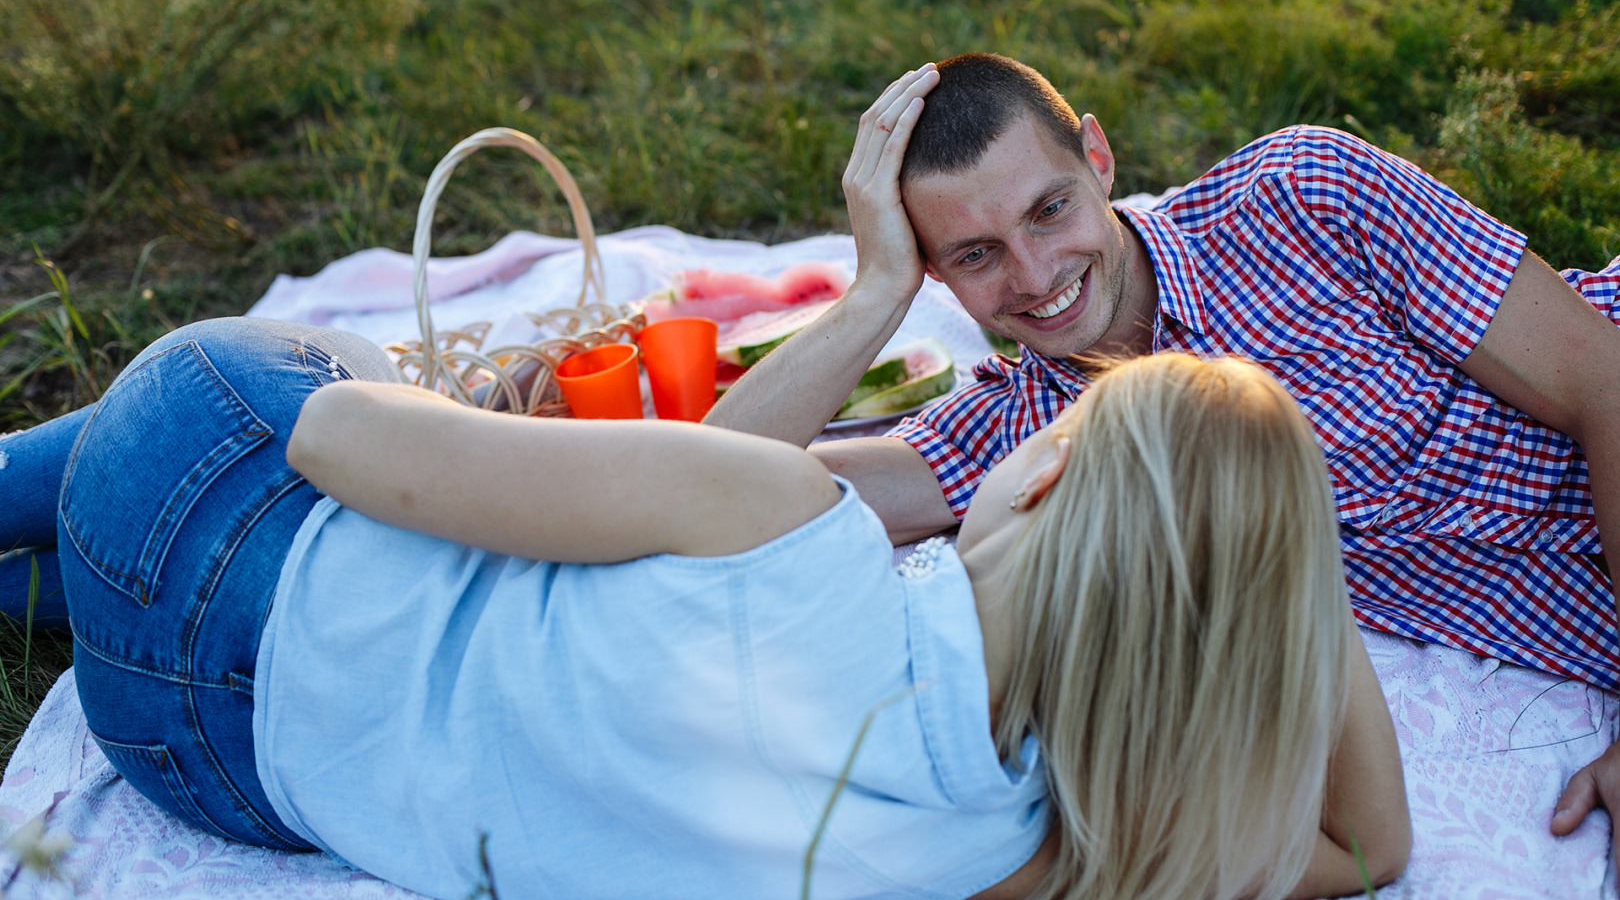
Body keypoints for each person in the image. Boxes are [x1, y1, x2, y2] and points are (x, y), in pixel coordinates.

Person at [0, 317, 1408, 899]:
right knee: (84, 572)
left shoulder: (791, 528)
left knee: (321, 382)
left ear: (1040, 489)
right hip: (209, 767)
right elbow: (1368, 840)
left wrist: (462, 413)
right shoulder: (1036, 852)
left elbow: (336, 448)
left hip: (203, 494)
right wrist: (1281, 571)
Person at [704, 52, 1620, 855]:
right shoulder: (1024, 441)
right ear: (934, 274)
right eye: (976, 255)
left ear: (1098, 159)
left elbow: (1605, 382)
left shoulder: (1302, 197)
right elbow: (704, 488)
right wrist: (874, 294)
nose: (1034, 277)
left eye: (1051, 210)